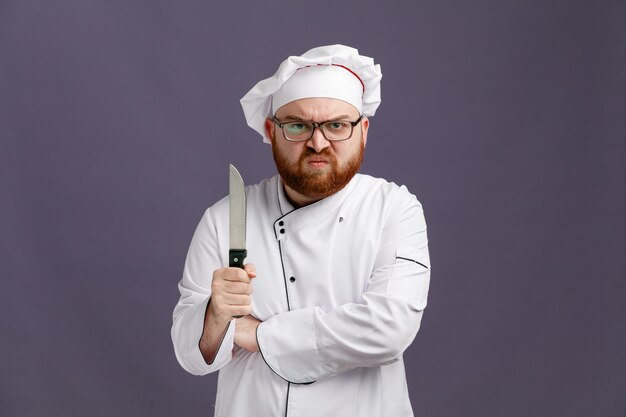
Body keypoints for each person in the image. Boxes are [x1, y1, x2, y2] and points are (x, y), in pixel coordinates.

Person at [171, 44, 431, 417]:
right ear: (271, 130)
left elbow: (388, 331)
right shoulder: (226, 218)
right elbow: (190, 355)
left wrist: (254, 333)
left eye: (337, 125)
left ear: (363, 131)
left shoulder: (393, 209)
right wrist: (216, 315)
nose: (318, 143)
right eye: (298, 125)